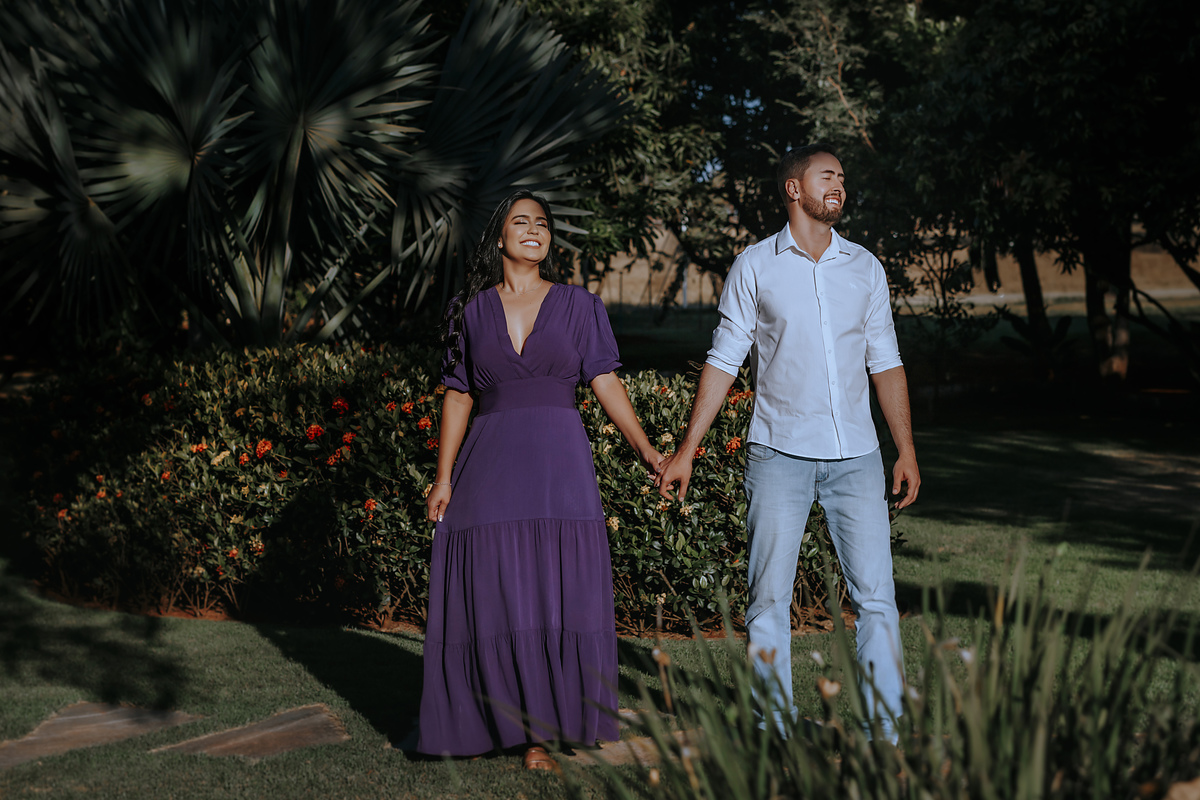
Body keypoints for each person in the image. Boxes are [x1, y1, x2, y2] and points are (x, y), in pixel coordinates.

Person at [655, 143, 920, 738]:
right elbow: (724, 359)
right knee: (768, 602)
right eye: (828, 177)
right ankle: (772, 726)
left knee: (876, 599)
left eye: (844, 179)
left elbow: (887, 362)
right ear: (793, 190)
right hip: (778, 455)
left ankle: (886, 731)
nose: (841, 187)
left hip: (858, 457)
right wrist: (687, 450)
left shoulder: (865, 267)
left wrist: (904, 448)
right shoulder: (755, 265)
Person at [418, 190, 663, 769]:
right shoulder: (467, 311)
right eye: (520, 222)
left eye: (543, 224)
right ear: (497, 237)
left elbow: (604, 381)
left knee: (554, 594)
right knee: (496, 592)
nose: (534, 231)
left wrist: (649, 451)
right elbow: (458, 394)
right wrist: (443, 477)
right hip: (488, 464)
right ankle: (484, 721)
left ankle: (541, 734)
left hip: (560, 466)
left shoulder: (581, 306)